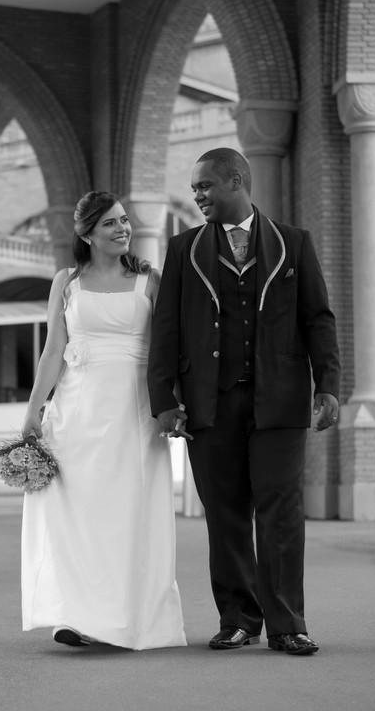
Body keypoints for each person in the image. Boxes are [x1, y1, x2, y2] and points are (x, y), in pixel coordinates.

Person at [148, 148, 340, 656]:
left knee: (281, 511)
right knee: (225, 514)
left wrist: (329, 385)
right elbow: (165, 329)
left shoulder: (293, 244)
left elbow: (318, 319)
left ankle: (287, 624)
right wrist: (164, 398)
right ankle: (237, 619)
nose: (197, 196)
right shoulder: (184, 248)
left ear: (236, 181)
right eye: (195, 189)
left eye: (205, 186)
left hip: (279, 401)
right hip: (209, 403)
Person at [20, 191, 187, 651]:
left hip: (132, 411)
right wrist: (34, 410)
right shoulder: (66, 283)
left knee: (127, 513)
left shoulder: (149, 281)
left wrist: (173, 403)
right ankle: (73, 614)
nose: (123, 229)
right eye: (111, 223)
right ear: (87, 233)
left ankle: (127, 616)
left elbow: (168, 350)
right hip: (76, 412)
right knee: (77, 512)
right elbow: (54, 350)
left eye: (125, 221)